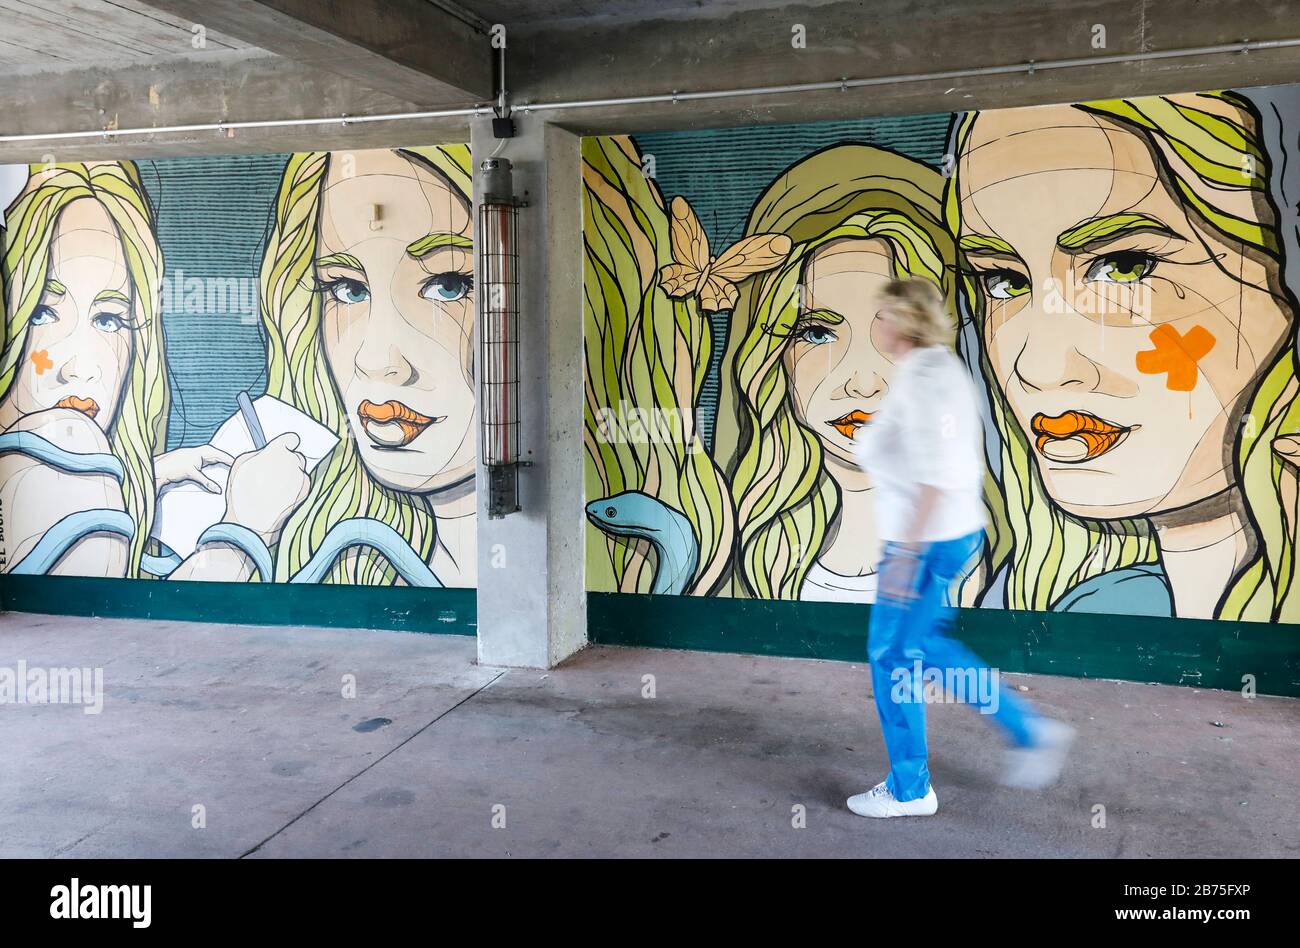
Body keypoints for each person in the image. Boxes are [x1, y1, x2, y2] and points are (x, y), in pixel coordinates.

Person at [847, 278, 1073, 818]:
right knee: (926, 646)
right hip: (939, 537)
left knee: (895, 657)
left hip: (923, 542)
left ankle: (910, 790)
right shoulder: (930, 371)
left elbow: (938, 475)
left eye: (882, 314)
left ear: (905, 319)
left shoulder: (927, 379)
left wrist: (906, 556)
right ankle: (1029, 730)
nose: (875, 323)